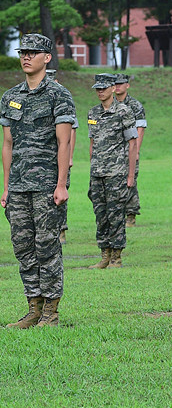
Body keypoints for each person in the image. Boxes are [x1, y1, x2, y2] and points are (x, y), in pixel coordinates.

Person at [1, 34, 76, 329]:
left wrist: (61, 184)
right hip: (18, 185)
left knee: (47, 247)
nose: (26, 57)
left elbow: (64, 142)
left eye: (33, 52)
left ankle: (51, 312)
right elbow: (7, 144)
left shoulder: (59, 95)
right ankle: (33, 307)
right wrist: (6, 187)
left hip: (46, 184)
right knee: (23, 247)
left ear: (47, 57)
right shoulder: (11, 97)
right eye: (23, 52)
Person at [87, 73, 138, 270]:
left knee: (116, 214)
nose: (100, 92)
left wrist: (130, 175)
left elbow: (132, 144)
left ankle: (116, 256)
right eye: (97, 89)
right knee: (100, 215)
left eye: (103, 88)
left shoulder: (124, 112)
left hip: (117, 172)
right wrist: (92, 168)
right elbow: (92, 143)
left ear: (112, 88)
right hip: (97, 172)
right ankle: (104, 254)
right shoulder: (92, 113)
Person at [46, 70, 76, 245]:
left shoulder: (62, 99)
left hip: (60, 158)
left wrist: (70, 157)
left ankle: (61, 229)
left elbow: (71, 134)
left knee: (60, 195)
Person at [114, 74, 146, 227]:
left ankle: (131, 214)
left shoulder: (134, 105)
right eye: (115, 84)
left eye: (121, 84)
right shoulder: (110, 103)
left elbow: (140, 128)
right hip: (113, 152)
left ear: (127, 85)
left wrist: (136, 150)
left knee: (130, 182)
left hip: (129, 149)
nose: (118, 86)